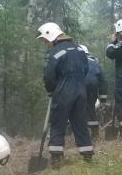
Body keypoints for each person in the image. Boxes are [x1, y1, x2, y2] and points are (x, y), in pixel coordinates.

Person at [36, 22, 93, 167]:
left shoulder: (54, 53)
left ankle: (56, 159)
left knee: (58, 124)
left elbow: (49, 76)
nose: (46, 44)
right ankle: (88, 157)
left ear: (52, 36)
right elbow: (86, 69)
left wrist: (52, 89)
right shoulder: (79, 49)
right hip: (81, 91)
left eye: (46, 41)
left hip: (63, 91)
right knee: (80, 123)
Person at [80, 44, 108, 140]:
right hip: (93, 87)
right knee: (90, 108)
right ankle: (95, 133)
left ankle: (82, 133)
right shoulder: (96, 64)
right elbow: (103, 81)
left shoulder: (76, 62)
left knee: (78, 109)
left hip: (80, 86)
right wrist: (103, 99)